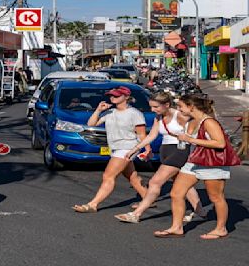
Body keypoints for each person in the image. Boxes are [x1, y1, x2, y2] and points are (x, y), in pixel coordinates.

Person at [114, 92, 205, 223]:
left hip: (179, 151)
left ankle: (136, 214)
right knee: (183, 183)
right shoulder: (159, 117)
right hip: (166, 150)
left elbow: (199, 126)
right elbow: (152, 135)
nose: (153, 110)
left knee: (155, 182)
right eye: (151, 107)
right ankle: (200, 212)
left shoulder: (180, 116)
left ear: (167, 105)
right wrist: (135, 149)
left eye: (156, 107)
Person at [154, 94, 234, 239]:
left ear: (191, 106)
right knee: (176, 193)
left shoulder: (209, 121)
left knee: (216, 197)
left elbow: (220, 143)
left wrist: (191, 139)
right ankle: (176, 227)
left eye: (181, 106)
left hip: (211, 164)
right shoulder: (191, 121)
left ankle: (221, 229)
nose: (178, 109)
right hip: (193, 162)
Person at [73, 86, 149, 213]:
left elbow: (141, 134)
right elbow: (91, 124)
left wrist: (147, 149)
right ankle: (148, 199)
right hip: (115, 148)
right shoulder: (110, 112)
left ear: (126, 97)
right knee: (131, 176)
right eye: (111, 95)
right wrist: (98, 110)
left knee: (108, 175)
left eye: (117, 95)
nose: (112, 97)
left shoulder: (135, 114)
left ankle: (93, 204)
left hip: (128, 147)